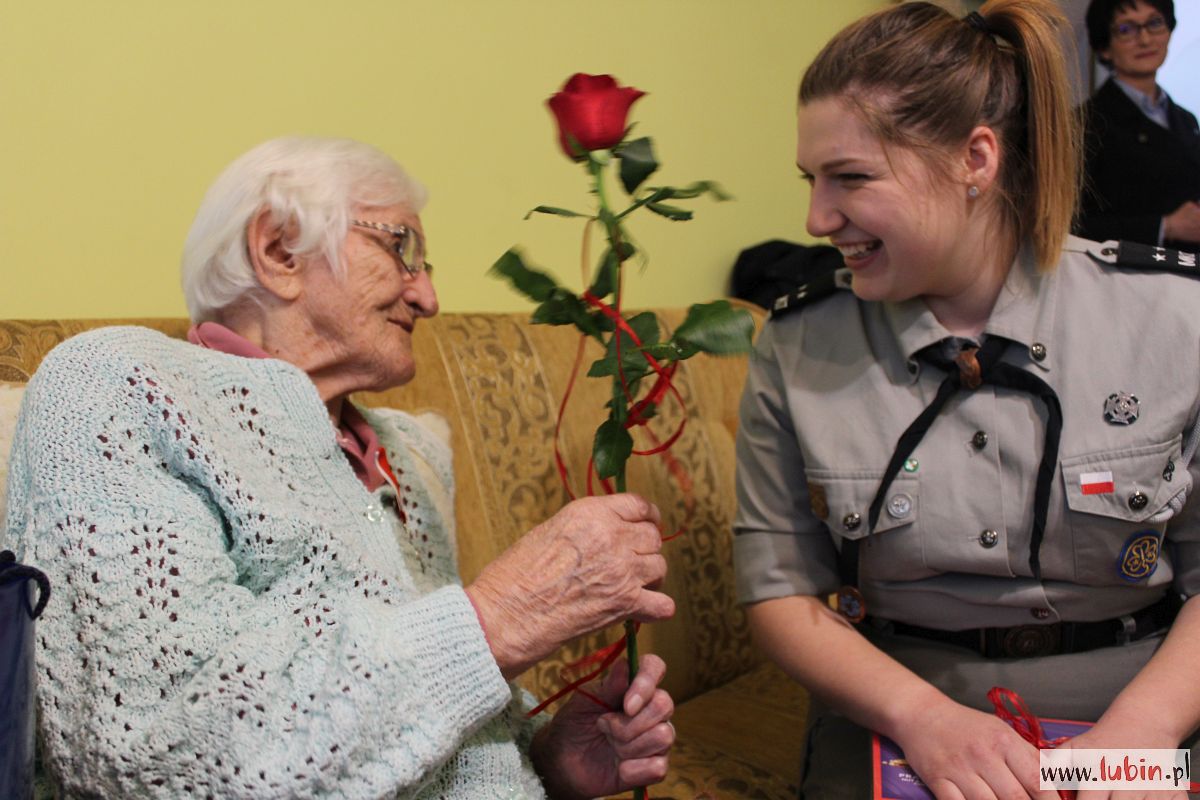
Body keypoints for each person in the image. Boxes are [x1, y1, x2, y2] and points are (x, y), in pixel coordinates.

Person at [2, 136, 677, 799]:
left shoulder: (404, 451)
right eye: (402, 248)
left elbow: (414, 717)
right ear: (279, 251)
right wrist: (504, 614)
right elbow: (151, 747)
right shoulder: (119, 386)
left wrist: (551, 760)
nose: (429, 297)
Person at [733, 1, 1200, 798]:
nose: (816, 219)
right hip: (897, 716)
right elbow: (780, 592)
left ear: (975, 159)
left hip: (1140, 707)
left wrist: (1142, 733)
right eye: (811, 180)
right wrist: (925, 719)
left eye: (851, 177)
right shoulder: (798, 346)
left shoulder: (1172, 318)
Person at [1075, 0, 1200, 250]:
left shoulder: (1186, 120)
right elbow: (1069, 224)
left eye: (1154, 23)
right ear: (1105, 47)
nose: (1145, 39)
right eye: (1126, 29)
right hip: (1126, 271)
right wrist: (1165, 227)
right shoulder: (1085, 124)